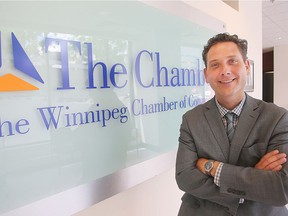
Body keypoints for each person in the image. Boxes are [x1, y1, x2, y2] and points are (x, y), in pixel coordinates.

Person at [175, 32, 288, 216]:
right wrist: (252, 177)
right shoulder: (191, 119)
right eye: (215, 65)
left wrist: (213, 167)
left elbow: (281, 187)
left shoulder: (277, 118)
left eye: (232, 61)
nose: (225, 71)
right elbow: (185, 178)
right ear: (206, 74)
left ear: (247, 66)